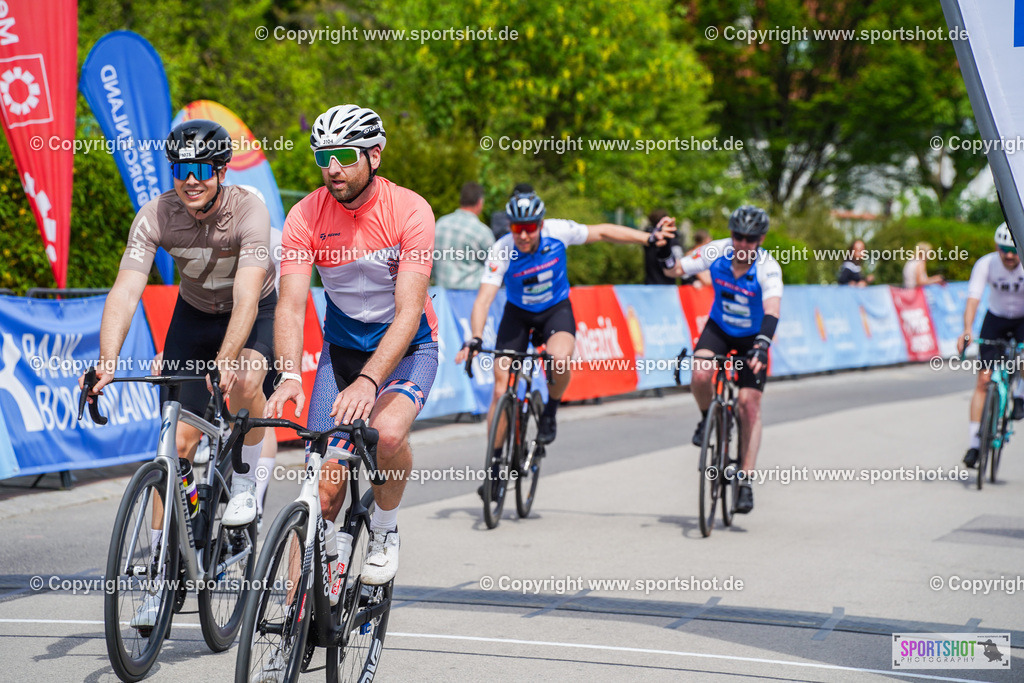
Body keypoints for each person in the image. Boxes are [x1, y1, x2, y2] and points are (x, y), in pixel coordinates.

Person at [81, 119, 276, 627]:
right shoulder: (157, 214)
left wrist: (229, 357)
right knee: (177, 444)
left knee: (249, 381)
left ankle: (250, 486)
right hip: (193, 316)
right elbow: (126, 289)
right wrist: (107, 361)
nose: (189, 180)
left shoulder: (248, 210)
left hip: (253, 312)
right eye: (180, 170)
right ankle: (160, 578)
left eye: (199, 170)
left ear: (219, 170)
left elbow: (249, 296)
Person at [265, 104, 438, 589]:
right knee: (322, 489)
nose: (332, 168)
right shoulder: (305, 214)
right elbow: (290, 306)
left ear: (375, 155)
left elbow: (408, 311)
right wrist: (290, 374)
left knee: (385, 435)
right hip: (341, 354)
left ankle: (384, 530)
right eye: (324, 156)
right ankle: (295, 619)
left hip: (407, 349)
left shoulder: (410, 210)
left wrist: (369, 380)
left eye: (344, 155)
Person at [454, 189, 675, 496]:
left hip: (555, 311)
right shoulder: (503, 248)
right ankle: (493, 468)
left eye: (530, 227)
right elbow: (483, 299)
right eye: (517, 228)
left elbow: (602, 231)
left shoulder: (559, 231)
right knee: (501, 386)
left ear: (541, 224)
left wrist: (647, 239)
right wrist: (475, 337)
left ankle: (551, 411)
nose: (523, 235)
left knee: (558, 360)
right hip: (517, 314)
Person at [660, 206, 783, 514]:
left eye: (750, 239)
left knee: (748, 404)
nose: (743, 244)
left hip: (753, 337)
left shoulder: (768, 267)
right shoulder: (716, 252)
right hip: (720, 328)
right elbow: (676, 270)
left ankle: (745, 481)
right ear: (731, 235)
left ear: (761, 239)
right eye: (738, 237)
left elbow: (772, 309)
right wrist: (664, 252)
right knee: (699, 373)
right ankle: (706, 419)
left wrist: (762, 345)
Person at [957, 223, 1024, 468]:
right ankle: (975, 444)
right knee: (983, 380)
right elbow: (974, 297)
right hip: (995, 319)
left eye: (1013, 250)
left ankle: (1020, 395)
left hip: (1022, 320)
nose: (1008, 255)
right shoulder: (986, 264)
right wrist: (967, 330)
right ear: (996, 247)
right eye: (1003, 249)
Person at [433, 181, 495, 289]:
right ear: (480, 202)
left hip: (441, 296)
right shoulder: (481, 232)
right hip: (470, 297)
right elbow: (496, 265)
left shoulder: (440, 224)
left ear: (461, 200)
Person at [643, 209, 684, 285]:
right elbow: (680, 260)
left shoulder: (648, 238)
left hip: (650, 283)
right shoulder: (671, 238)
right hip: (667, 284)